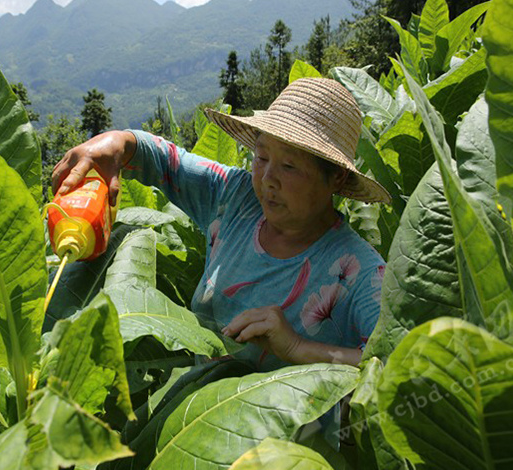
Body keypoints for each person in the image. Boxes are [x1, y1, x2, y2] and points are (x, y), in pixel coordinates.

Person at [52, 78, 390, 372]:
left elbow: (398, 367)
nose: (268, 179)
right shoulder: (236, 198)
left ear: (336, 177)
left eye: (289, 166)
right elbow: (164, 160)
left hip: (285, 442)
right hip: (189, 423)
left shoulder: (359, 271)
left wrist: (296, 348)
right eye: (261, 157)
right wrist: (114, 144)